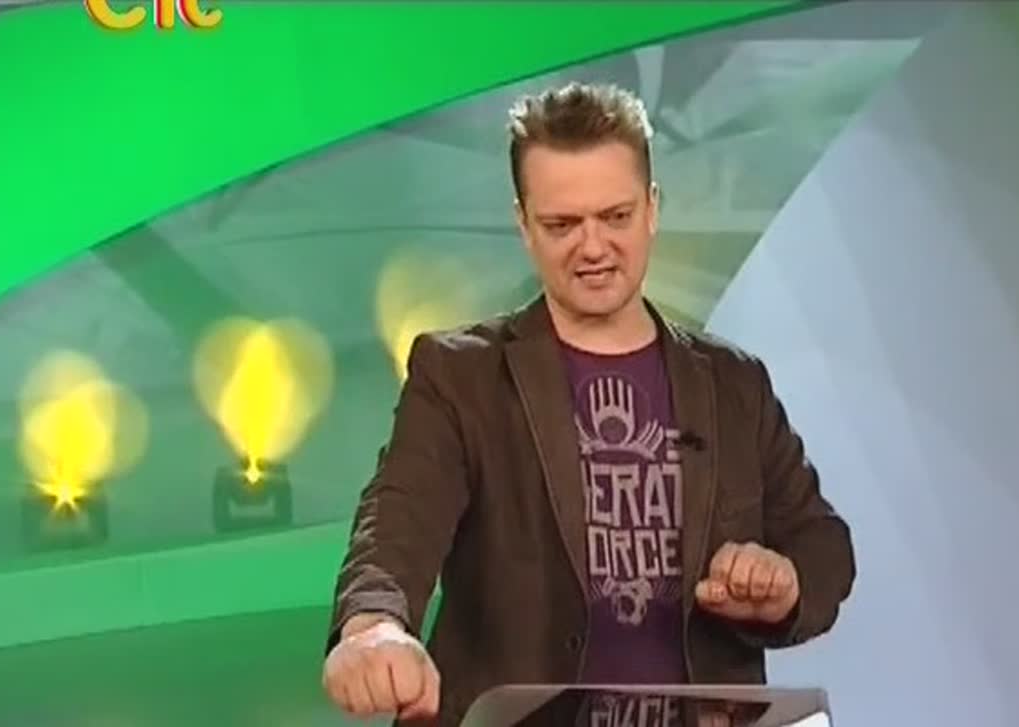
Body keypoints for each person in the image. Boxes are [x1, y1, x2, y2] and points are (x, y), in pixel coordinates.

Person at [321, 81, 856, 726]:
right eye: (562, 225)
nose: (594, 247)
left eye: (616, 216)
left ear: (652, 208)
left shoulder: (734, 384)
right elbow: (397, 520)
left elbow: (822, 545)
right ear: (523, 224)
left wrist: (784, 586)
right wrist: (373, 625)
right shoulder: (460, 376)